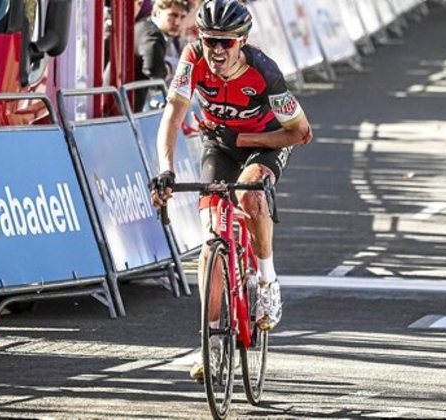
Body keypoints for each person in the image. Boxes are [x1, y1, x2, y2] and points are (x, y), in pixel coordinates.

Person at [150, 0, 313, 380]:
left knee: (250, 195)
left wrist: (243, 139)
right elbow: (172, 115)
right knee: (211, 244)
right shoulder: (193, 58)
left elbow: (301, 133)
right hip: (219, 146)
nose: (217, 50)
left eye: (226, 42)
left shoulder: (264, 72)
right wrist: (165, 170)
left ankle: (267, 281)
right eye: (210, 40)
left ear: (242, 41)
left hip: (265, 143)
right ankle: (209, 343)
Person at [134, 0, 190, 111]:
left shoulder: (145, 26)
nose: (177, 22)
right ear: (158, 12)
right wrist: (167, 68)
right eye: (173, 15)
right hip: (131, 107)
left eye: (182, 17)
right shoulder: (152, 34)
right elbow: (155, 70)